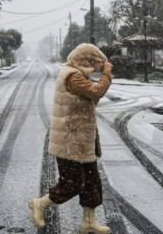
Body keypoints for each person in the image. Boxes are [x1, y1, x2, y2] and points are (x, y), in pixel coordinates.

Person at [29, 43, 113, 234]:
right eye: (93, 63)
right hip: (69, 142)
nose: (95, 67)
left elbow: (91, 99)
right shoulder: (72, 76)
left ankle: (89, 222)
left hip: (82, 140)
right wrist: (107, 74)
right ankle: (41, 204)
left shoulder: (78, 75)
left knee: (92, 181)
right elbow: (96, 92)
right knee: (73, 183)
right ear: (84, 60)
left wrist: (100, 78)